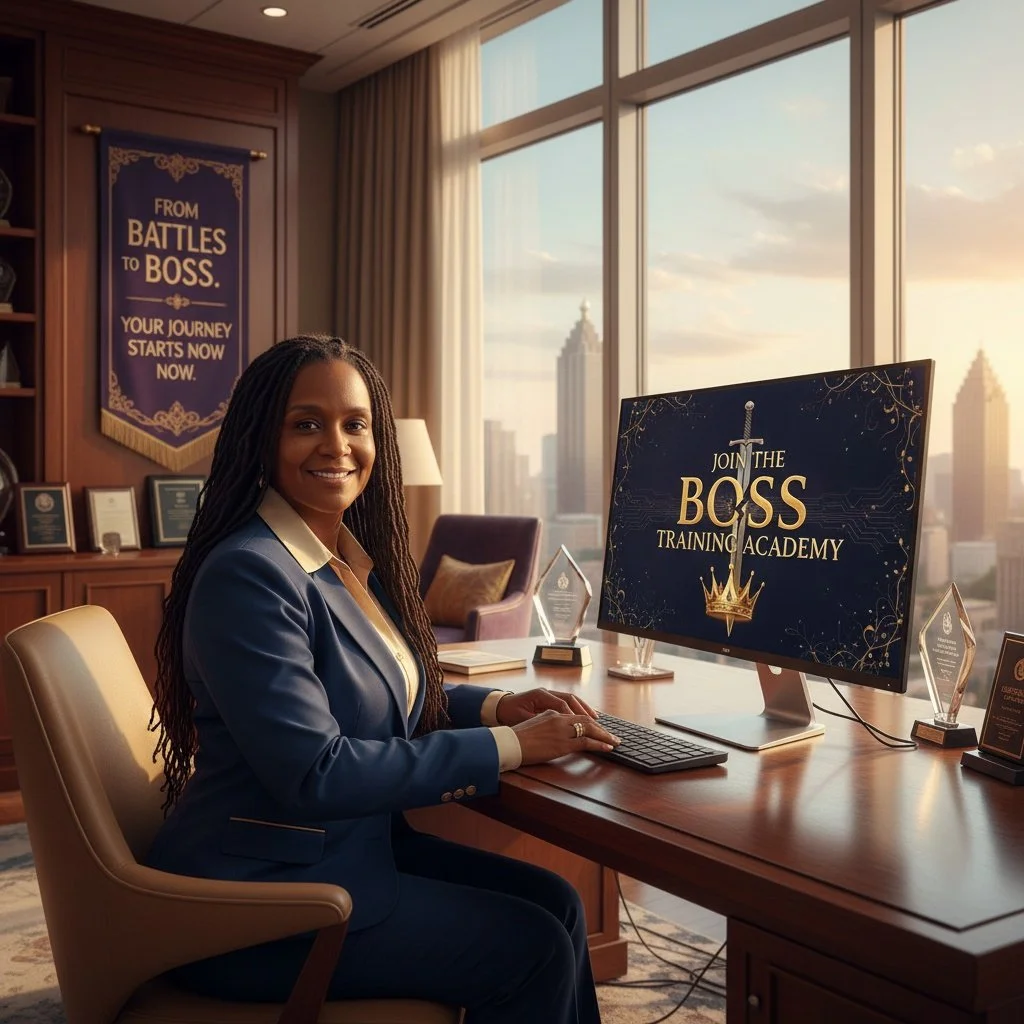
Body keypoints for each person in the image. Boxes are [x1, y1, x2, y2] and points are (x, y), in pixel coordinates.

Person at [146, 334, 620, 1023]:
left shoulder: (345, 561)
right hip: (260, 905)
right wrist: (515, 749)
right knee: (536, 946)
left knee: (558, 901)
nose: (336, 445)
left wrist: (500, 709)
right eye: (306, 424)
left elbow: (384, 699)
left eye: (355, 424)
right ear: (261, 438)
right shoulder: (250, 573)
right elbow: (318, 773)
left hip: (346, 855)